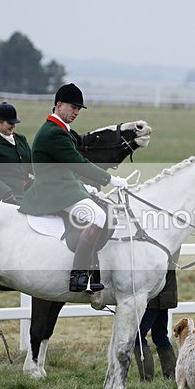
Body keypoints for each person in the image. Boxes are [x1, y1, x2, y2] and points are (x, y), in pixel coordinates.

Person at [19, 83, 128, 293]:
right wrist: (111, 180)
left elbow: (64, 168)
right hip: (53, 191)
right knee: (98, 216)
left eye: (79, 109)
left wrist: (86, 187)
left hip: (63, 185)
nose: (76, 112)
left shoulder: (59, 130)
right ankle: (79, 275)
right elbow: (78, 163)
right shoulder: (54, 133)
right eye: (73, 107)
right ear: (59, 105)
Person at [133, 252, 179, 382]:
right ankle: (172, 376)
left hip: (153, 297)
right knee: (159, 335)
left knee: (138, 336)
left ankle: (147, 380)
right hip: (164, 293)